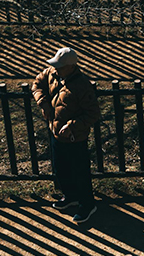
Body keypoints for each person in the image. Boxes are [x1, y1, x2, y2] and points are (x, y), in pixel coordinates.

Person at [32, 47, 100, 225]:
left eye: (60, 66)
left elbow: (93, 113)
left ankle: (87, 204)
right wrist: (43, 103)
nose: (56, 68)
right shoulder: (52, 73)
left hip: (75, 138)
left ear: (71, 67)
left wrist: (72, 126)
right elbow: (37, 83)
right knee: (61, 169)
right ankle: (70, 196)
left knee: (80, 172)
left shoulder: (82, 84)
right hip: (55, 133)